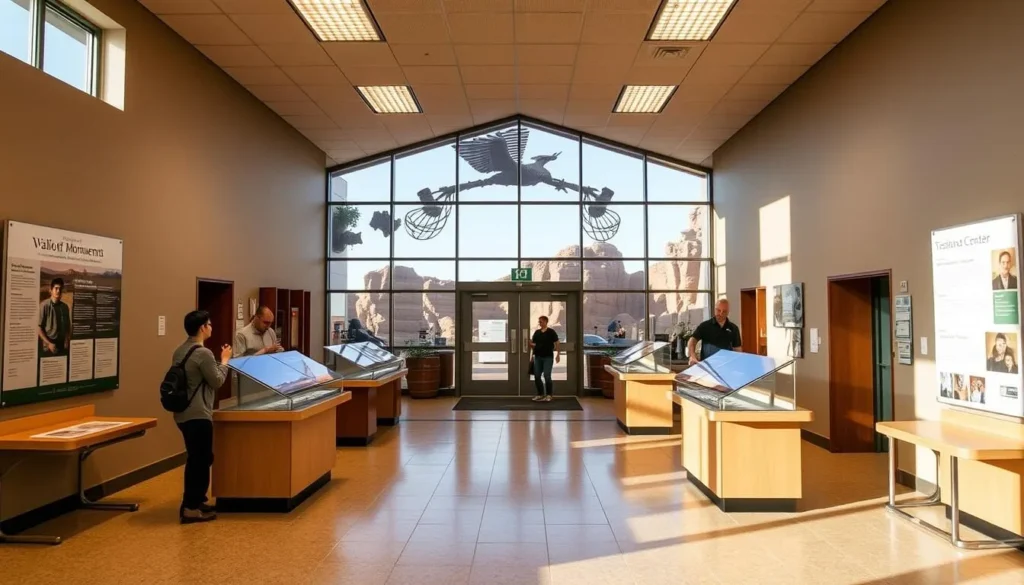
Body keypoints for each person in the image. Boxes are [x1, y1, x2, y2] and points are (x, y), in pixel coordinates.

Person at [172, 310, 231, 524]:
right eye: (209, 324)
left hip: (183, 413)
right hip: (198, 413)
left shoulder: (179, 351)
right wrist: (224, 361)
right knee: (200, 460)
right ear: (202, 328)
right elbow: (216, 381)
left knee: (197, 458)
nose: (211, 327)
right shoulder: (203, 353)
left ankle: (196, 501)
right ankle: (190, 508)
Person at [688, 299, 742, 365]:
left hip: (727, 366)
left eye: (724, 311)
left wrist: (738, 364)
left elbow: (737, 349)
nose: (721, 314)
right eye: (718, 310)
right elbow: (692, 341)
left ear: (728, 312)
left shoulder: (734, 328)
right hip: (708, 366)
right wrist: (693, 356)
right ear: (715, 309)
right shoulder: (705, 326)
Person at [529, 316, 560, 402]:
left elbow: (557, 342)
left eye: (541, 322)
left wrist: (558, 354)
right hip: (538, 357)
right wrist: (532, 356)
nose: (540, 323)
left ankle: (549, 395)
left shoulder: (551, 332)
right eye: (539, 322)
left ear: (546, 322)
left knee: (547, 375)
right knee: (537, 376)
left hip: (548, 357)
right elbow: (533, 344)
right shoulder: (537, 332)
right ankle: (540, 394)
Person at [38, 277, 71, 356]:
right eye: (56, 288)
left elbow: (68, 326)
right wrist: (48, 343)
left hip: (62, 344)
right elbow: (39, 328)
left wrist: (67, 339)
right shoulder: (44, 306)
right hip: (49, 344)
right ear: (51, 290)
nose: (58, 291)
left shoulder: (65, 307)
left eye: (60, 289)